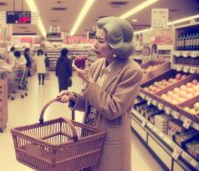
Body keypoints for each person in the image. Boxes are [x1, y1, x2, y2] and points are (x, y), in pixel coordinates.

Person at [57, 17, 143, 171]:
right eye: (95, 38)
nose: (95, 44)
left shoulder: (132, 71)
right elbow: (91, 100)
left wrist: (90, 82)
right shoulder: (98, 65)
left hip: (110, 138)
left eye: (101, 41)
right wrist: (74, 97)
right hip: (89, 133)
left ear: (116, 45)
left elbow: (112, 109)